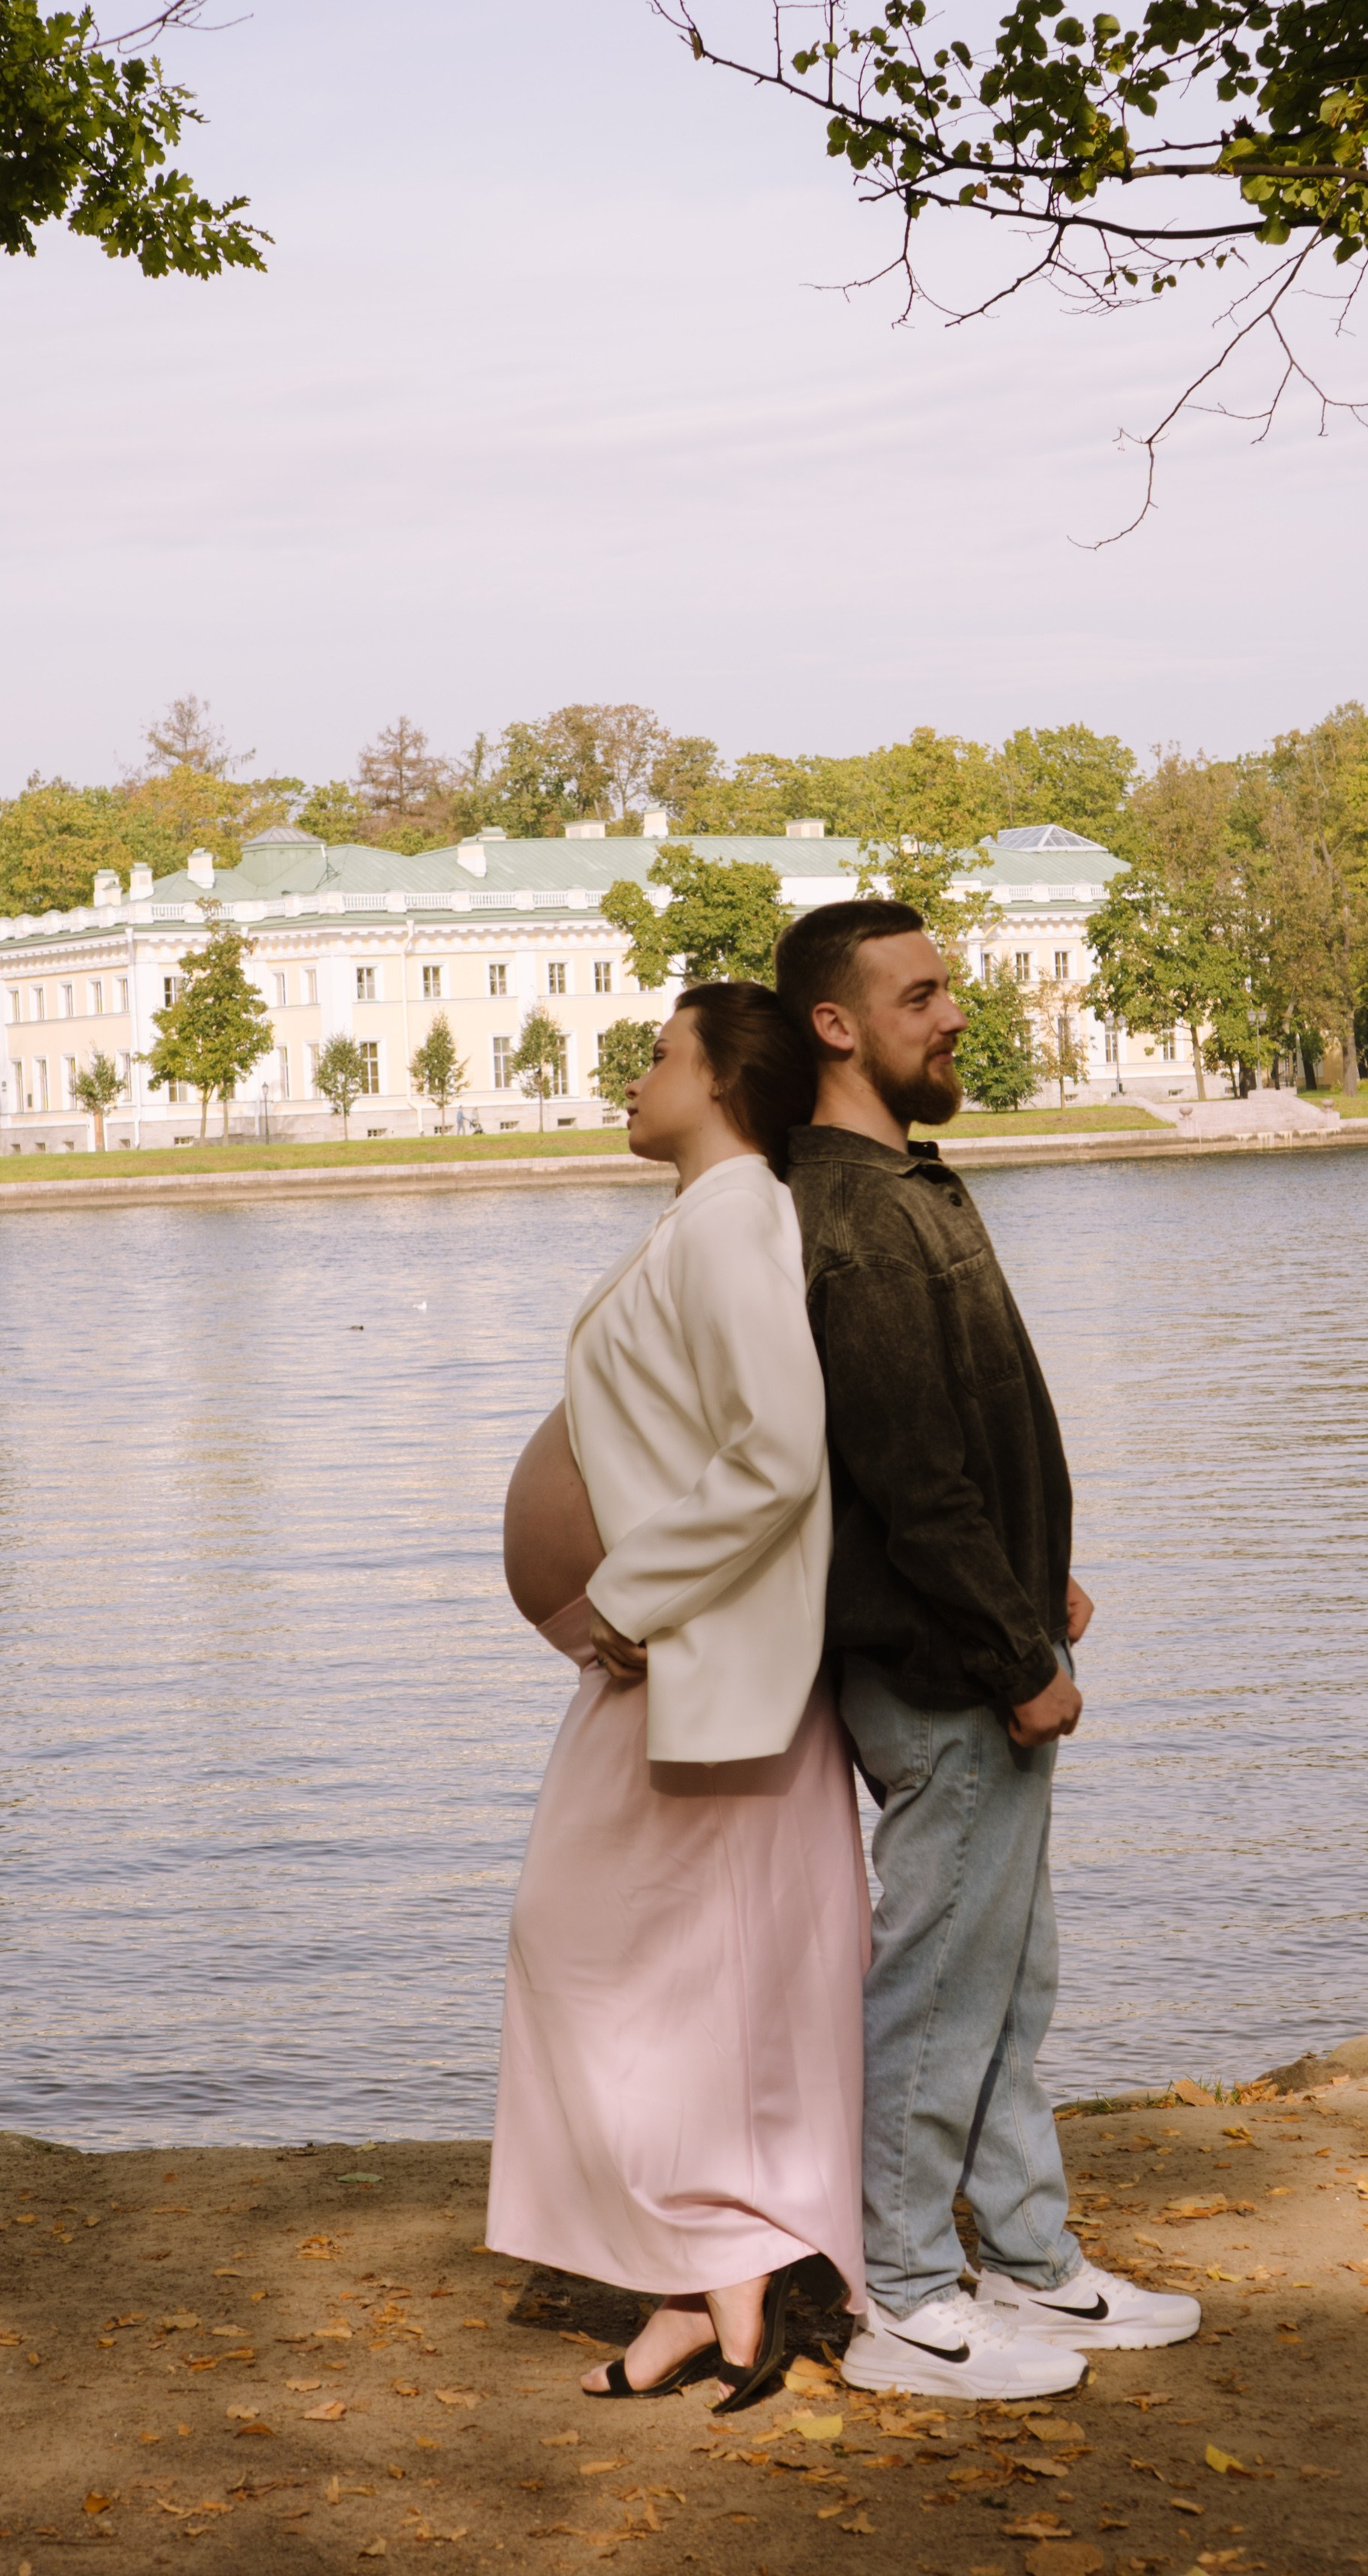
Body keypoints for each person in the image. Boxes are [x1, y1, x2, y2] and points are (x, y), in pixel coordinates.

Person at [775, 899, 1202, 2395]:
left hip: (985, 1639)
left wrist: (1041, 1585)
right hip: (938, 1671)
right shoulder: (846, 1210)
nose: (953, 1013)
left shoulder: (913, 1180)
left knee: (1008, 1979)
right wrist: (1016, 1654)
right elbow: (908, 1476)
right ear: (835, 1024)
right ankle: (897, 2295)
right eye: (921, 993)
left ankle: (1026, 2265)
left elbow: (968, 1436)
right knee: (939, 1981)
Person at [487, 983, 884, 2412]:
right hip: (675, 1674)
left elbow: (780, 1451)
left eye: (660, 1052)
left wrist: (636, 1598)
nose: (635, 1071)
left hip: (697, 1668)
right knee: (660, 1978)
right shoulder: (705, 1219)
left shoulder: (735, 1221)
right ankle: (700, 2297)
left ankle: (736, 2277)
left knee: (629, 1964)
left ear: (721, 1081)